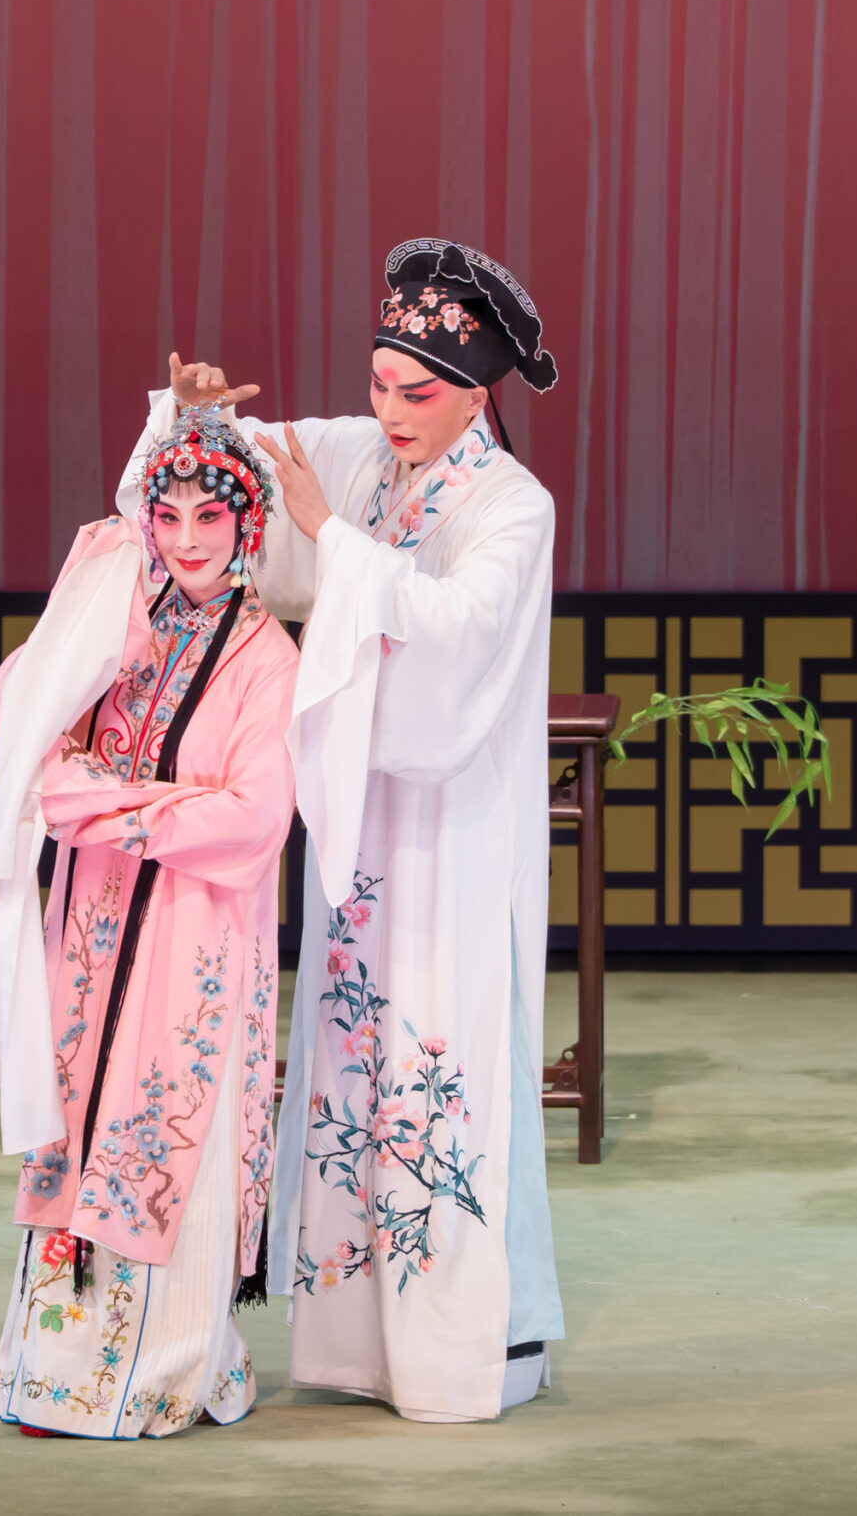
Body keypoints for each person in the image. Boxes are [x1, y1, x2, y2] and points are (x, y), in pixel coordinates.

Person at [113, 237, 563, 1424]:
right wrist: (190, 418)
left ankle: (467, 1351)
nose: (391, 411)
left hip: (452, 824)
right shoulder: (363, 459)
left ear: (478, 395)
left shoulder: (513, 506)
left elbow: (457, 636)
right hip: (360, 810)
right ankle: (363, 1343)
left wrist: (338, 544)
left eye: (417, 392)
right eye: (379, 383)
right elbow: (220, 491)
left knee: (442, 1061)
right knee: (355, 1054)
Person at [0, 404, 299, 1439]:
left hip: (195, 939)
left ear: (248, 525)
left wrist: (98, 800)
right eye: (169, 515)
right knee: (79, 1123)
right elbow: (16, 704)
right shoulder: (126, 625)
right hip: (94, 928)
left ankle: (163, 1373)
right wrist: (96, 585)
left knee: (163, 1129)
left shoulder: (268, 658)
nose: (188, 538)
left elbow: (252, 820)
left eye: (211, 515)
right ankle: (55, 1371)